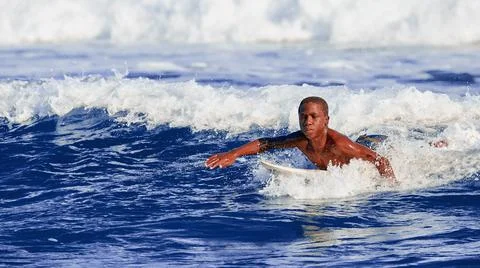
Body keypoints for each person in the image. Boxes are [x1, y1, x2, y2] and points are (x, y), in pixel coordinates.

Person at [205, 96, 396, 180]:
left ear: (326, 120)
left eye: (314, 117)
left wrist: (390, 187)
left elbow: (381, 161)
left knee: (371, 145)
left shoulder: (339, 144)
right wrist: (233, 154)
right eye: (303, 117)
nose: (308, 122)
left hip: (364, 147)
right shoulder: (300, 140)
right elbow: (266, 144)